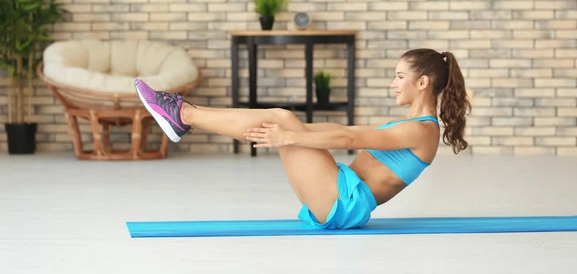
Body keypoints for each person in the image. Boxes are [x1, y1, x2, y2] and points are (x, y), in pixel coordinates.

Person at [134, 48, 471, 230]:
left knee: (281, 119)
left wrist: (290, 134)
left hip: (343, 203)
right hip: (338, 192)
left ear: (423, 82)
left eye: (400, 76)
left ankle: (181, 114)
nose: (394, 83)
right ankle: (182, 114)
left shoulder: (423, 130)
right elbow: (335, 128)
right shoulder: (412, 123)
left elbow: (349, 135)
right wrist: (298, 129)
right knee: (283, 118)